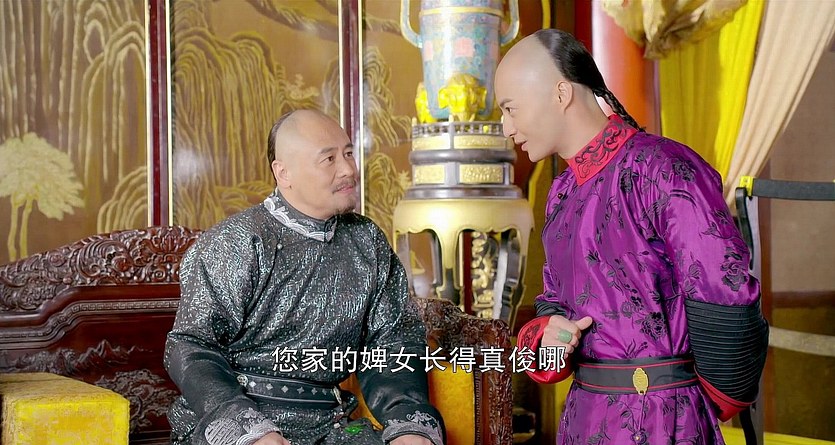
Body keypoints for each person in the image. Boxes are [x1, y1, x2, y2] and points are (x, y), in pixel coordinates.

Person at [495, 29, 768, 445]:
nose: (506, 127)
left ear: (561, 93)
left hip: (664, 420)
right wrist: (551, 333)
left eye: (510, 109)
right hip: (583, 420)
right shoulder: (562, 193)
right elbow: (553, 301)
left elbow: (724, 291)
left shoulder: (663, 168)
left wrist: (686, 399)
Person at [164, 109, 445, 445]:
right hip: (244, 421)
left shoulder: (367, 240)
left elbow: (392, 343)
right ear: (284, 172)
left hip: (331, 425)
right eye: (329, 159)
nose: (348, 169)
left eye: (348, 153)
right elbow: (191, 345)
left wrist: (409, 425)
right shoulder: (238, 241)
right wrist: (247, 430)